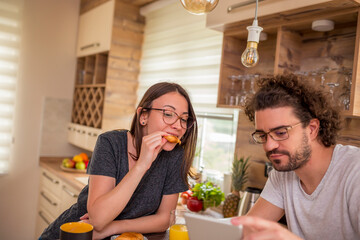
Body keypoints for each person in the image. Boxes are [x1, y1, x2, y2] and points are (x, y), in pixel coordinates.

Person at [40, 82, 198, 240]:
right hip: (77, 235)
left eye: (184, 119)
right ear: (143, 116)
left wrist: (113, 227)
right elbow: (98, 220)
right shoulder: (110, 143)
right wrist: (141, 165)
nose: (178, 126)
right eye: (168, 114)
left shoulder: (175, 156)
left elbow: (165, 219)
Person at [231, 74, 360, 239]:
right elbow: (245, 232)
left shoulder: (355, 171)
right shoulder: (282, 174)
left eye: (280, 132)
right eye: (263, 135)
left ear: (312, 129)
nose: (269, 146)